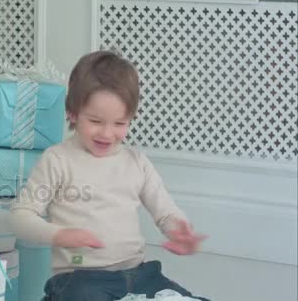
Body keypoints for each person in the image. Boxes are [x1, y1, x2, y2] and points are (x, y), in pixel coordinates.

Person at [10, 50, 208, 301]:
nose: (107, 133)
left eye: (119, 123)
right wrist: (59, 235)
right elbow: (21, 216)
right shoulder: (58, 159)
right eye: (95, 120)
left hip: (138, 275)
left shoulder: (136, 163)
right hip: (81, 278)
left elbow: (165, 211)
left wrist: (179, 230)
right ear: (72, 113)